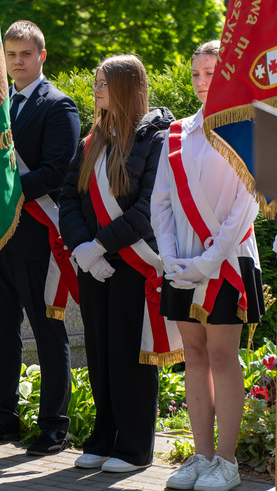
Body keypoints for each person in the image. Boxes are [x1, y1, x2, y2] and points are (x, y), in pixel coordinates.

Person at [0, 20, 79, 455]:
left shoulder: (58, 106)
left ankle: (53, 426)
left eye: (26, 54)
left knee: (47, 333)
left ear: (42, 56)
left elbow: (57, 171)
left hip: (36, 237)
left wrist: (1, 196)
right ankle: (2, 417)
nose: (18, 62)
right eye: (10, 55)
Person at [151, 41, 266, 491]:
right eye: (196, 73)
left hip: (229, 262)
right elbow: (160, 201)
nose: (202, 82)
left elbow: (246, 205)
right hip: (180, 262)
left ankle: (228, 462)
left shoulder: (247, 129)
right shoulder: (176, 133)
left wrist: (207, 261)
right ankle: (200, 456)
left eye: (211, 72)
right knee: (193, 358)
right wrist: (170, 257)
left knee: (222, 357)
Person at [59, 54, 172, 471]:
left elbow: (148, 211)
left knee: (130, 354)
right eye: (96, 83)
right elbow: (69, 197)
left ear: (127, 87)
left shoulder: (157, 139)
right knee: (100, 349)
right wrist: (82, 249)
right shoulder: (91, 141)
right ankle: (103, 438)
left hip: (133, 262)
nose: (97, 90)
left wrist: (100, 245)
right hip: (93, 262)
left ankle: (135, 447)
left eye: (104, 83)